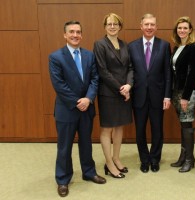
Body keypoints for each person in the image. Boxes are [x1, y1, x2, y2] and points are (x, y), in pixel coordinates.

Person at [49, 20, 106, 197]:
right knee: (64, 146)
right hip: (67, 109)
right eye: (71, 32)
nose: (75, 35)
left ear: (82, 34)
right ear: (65, 35)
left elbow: (95, 79)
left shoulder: (89, 55)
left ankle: (89, 172)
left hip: (86, 108)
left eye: (78, 32)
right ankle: (63, 179)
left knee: (86, 143)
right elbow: (59, 85)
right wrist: (77, 102)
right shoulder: (56, 57)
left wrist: (88, 99)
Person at [128, 13, 172, 173]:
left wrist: (167, 95)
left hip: (158, 97)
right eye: (146, 24)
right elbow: (129, 71)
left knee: (157, 130)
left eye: (152, 24)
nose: (149, 27)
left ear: (156, 27)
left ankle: (155, 159)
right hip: (138, 96)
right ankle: (144, 160)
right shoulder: (131, 46)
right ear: (141, 26)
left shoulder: (164, 45)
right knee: (140, 131)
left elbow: (168, 73)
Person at [93, 13, 133, 179]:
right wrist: (120, 88)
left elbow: (131, 67)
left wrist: (129, 85)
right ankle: (108, 163)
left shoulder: (124, 44)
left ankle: (116, 158)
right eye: (109, 24)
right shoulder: (100, 44)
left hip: (124, 92)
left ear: (120, 26)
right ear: (105, 26)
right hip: (109, 93)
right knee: (107, 128)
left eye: (115, 24)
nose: (112, 26)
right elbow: (103, 71)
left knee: (119, 126)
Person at [169, 16, 195, 173]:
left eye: (185, 28)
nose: (182, 30)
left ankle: (190, 160)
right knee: (183, 125)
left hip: (187, 92)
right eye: (179, 28)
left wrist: (185, 97)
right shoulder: (177, 48)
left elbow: (192, 73)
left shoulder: (194, 47)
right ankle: (184, 157)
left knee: (187, 125)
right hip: (176, 91)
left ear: (190, 30)